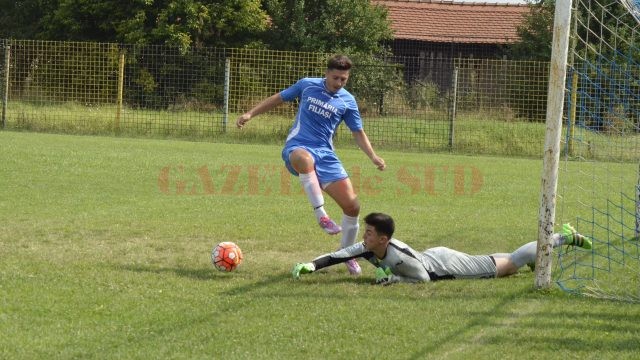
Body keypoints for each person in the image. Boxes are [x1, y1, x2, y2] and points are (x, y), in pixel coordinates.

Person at [236, 54, 386, 275]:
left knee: (353, 206)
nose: (339, 83)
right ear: (326, 73)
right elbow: (278, 98)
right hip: (297, 146)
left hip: (326, 154)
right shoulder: (307, 85)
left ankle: (347, 253)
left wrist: (373, 157)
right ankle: (322, 216)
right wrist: (250, 113)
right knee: (305, 160)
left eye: (344, 79)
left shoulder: (347, 101)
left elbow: (358, 132)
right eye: (336, 78)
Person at [291, 212, 593, 284]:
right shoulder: (371, 247)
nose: (364, 237)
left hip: (444, 265)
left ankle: (561, 237)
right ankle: (545, 250)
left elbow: (422, 278)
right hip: (436, 255)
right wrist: (312, 265)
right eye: (366, 233)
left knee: (509, 264)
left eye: (369, 233)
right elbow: (339, 254)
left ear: (383, 239)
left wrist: (392, 279)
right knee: (493, 260)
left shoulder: (395, 256)